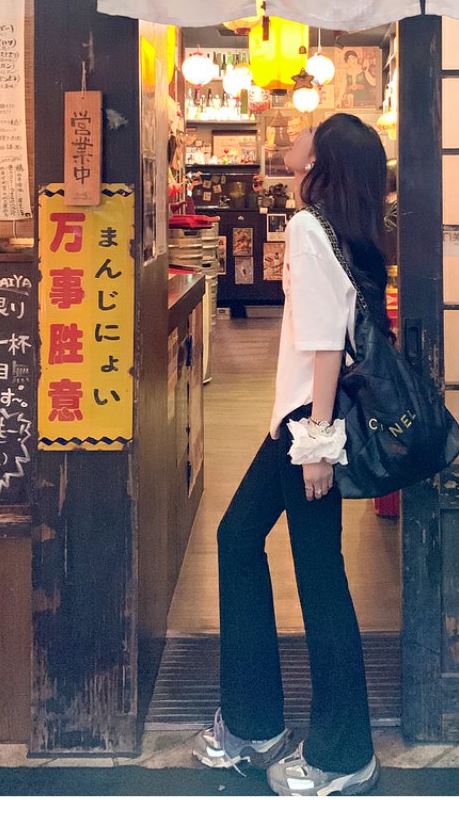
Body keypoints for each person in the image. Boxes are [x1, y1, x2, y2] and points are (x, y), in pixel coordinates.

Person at [192, 112, 389, 795]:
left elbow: (326, 343)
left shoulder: (308, 228)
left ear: (320, 158)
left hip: (308, 425)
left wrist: (316, 442)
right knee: (240, 539)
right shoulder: (342, 230)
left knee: (317, 576)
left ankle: (342, 754)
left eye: (309, 132)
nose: (296, 133)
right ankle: (255, 724)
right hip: (301, 422)